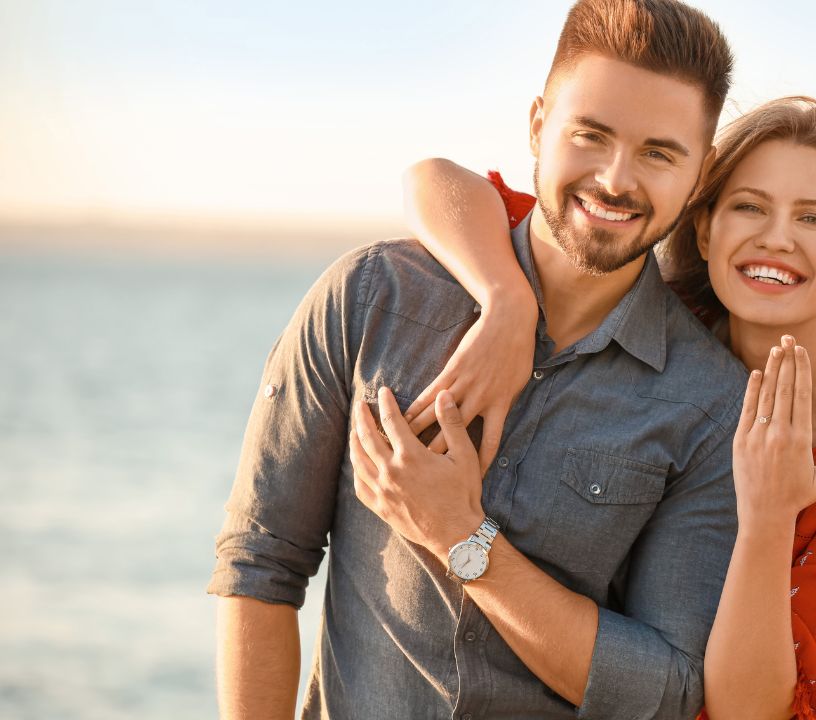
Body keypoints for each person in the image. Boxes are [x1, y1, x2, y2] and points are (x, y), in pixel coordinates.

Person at [206, 1, 748, 718]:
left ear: (701, 171)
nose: (616, 180)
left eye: (658, 152)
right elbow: (259, 565)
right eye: (591, 135)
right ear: (537, 124)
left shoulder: (710, 403)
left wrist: (463, 538)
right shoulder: (371, 298)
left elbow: (669, 688)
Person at [391, 96, 816, 718]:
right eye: (749, 206)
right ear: (702, 227)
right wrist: (506, 300)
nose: (776, 238)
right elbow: (437, 182)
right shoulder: (661, 321)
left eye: (814, 219)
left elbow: (751, 713)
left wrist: (770, 516)